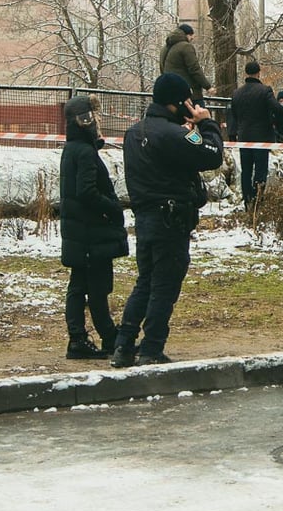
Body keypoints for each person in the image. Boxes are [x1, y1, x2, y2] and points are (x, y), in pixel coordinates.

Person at [111, 72, 224, 367]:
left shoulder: (135, 132)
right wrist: (207, 122)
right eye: (187, 101)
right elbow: (211, 155)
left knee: (145, 281)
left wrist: (189, 129)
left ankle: (123, 345)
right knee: (165, 285)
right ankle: (152, 348)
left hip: (145, 218)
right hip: (171, 219)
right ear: (178, 103)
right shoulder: (172, 134)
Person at [59, 94, 128, 360]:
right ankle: (109, 337)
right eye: (93, 117)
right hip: (91, 233)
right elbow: (87, 192)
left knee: (78, 286)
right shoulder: (85, 152)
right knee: (98, 287)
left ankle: (78, 339)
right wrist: (113, 206)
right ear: (85, 120)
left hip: (79, 232)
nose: (97, 122)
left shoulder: (72, 149)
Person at [227, 59, 283, 209]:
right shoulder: (265, 91)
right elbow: (277, 109)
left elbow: (231, 114)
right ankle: (258, 201)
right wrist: (276, 124)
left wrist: (233, 134)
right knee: (260, 170)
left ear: (246, 73)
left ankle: (247, 201)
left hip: (244, 137)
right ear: (259, 73)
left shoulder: (237, 93)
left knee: (246, 171)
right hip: (262, 137)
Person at [159, 23, 212, 104]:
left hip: (171, 92)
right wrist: (207, 86)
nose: (192, 38)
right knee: (200, 115)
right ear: (186, 35)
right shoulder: (186, 47)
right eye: (191, 35)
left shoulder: (164, 48)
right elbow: (194, 69)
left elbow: (162, 68)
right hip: (189, 94)